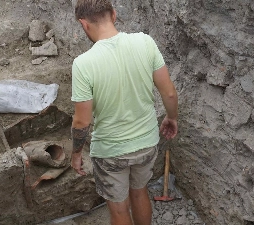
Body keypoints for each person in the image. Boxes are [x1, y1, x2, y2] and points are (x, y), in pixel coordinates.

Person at [70, 0, 178, 224]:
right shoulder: (145, 42)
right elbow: (168, 93)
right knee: (139, 192)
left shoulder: (83, 64)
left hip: (111, 151)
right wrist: (171, 118)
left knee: (119, 209)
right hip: (147, 142)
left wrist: (76, 154)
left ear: (83, 24)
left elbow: (82, 121)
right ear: (114, 15)